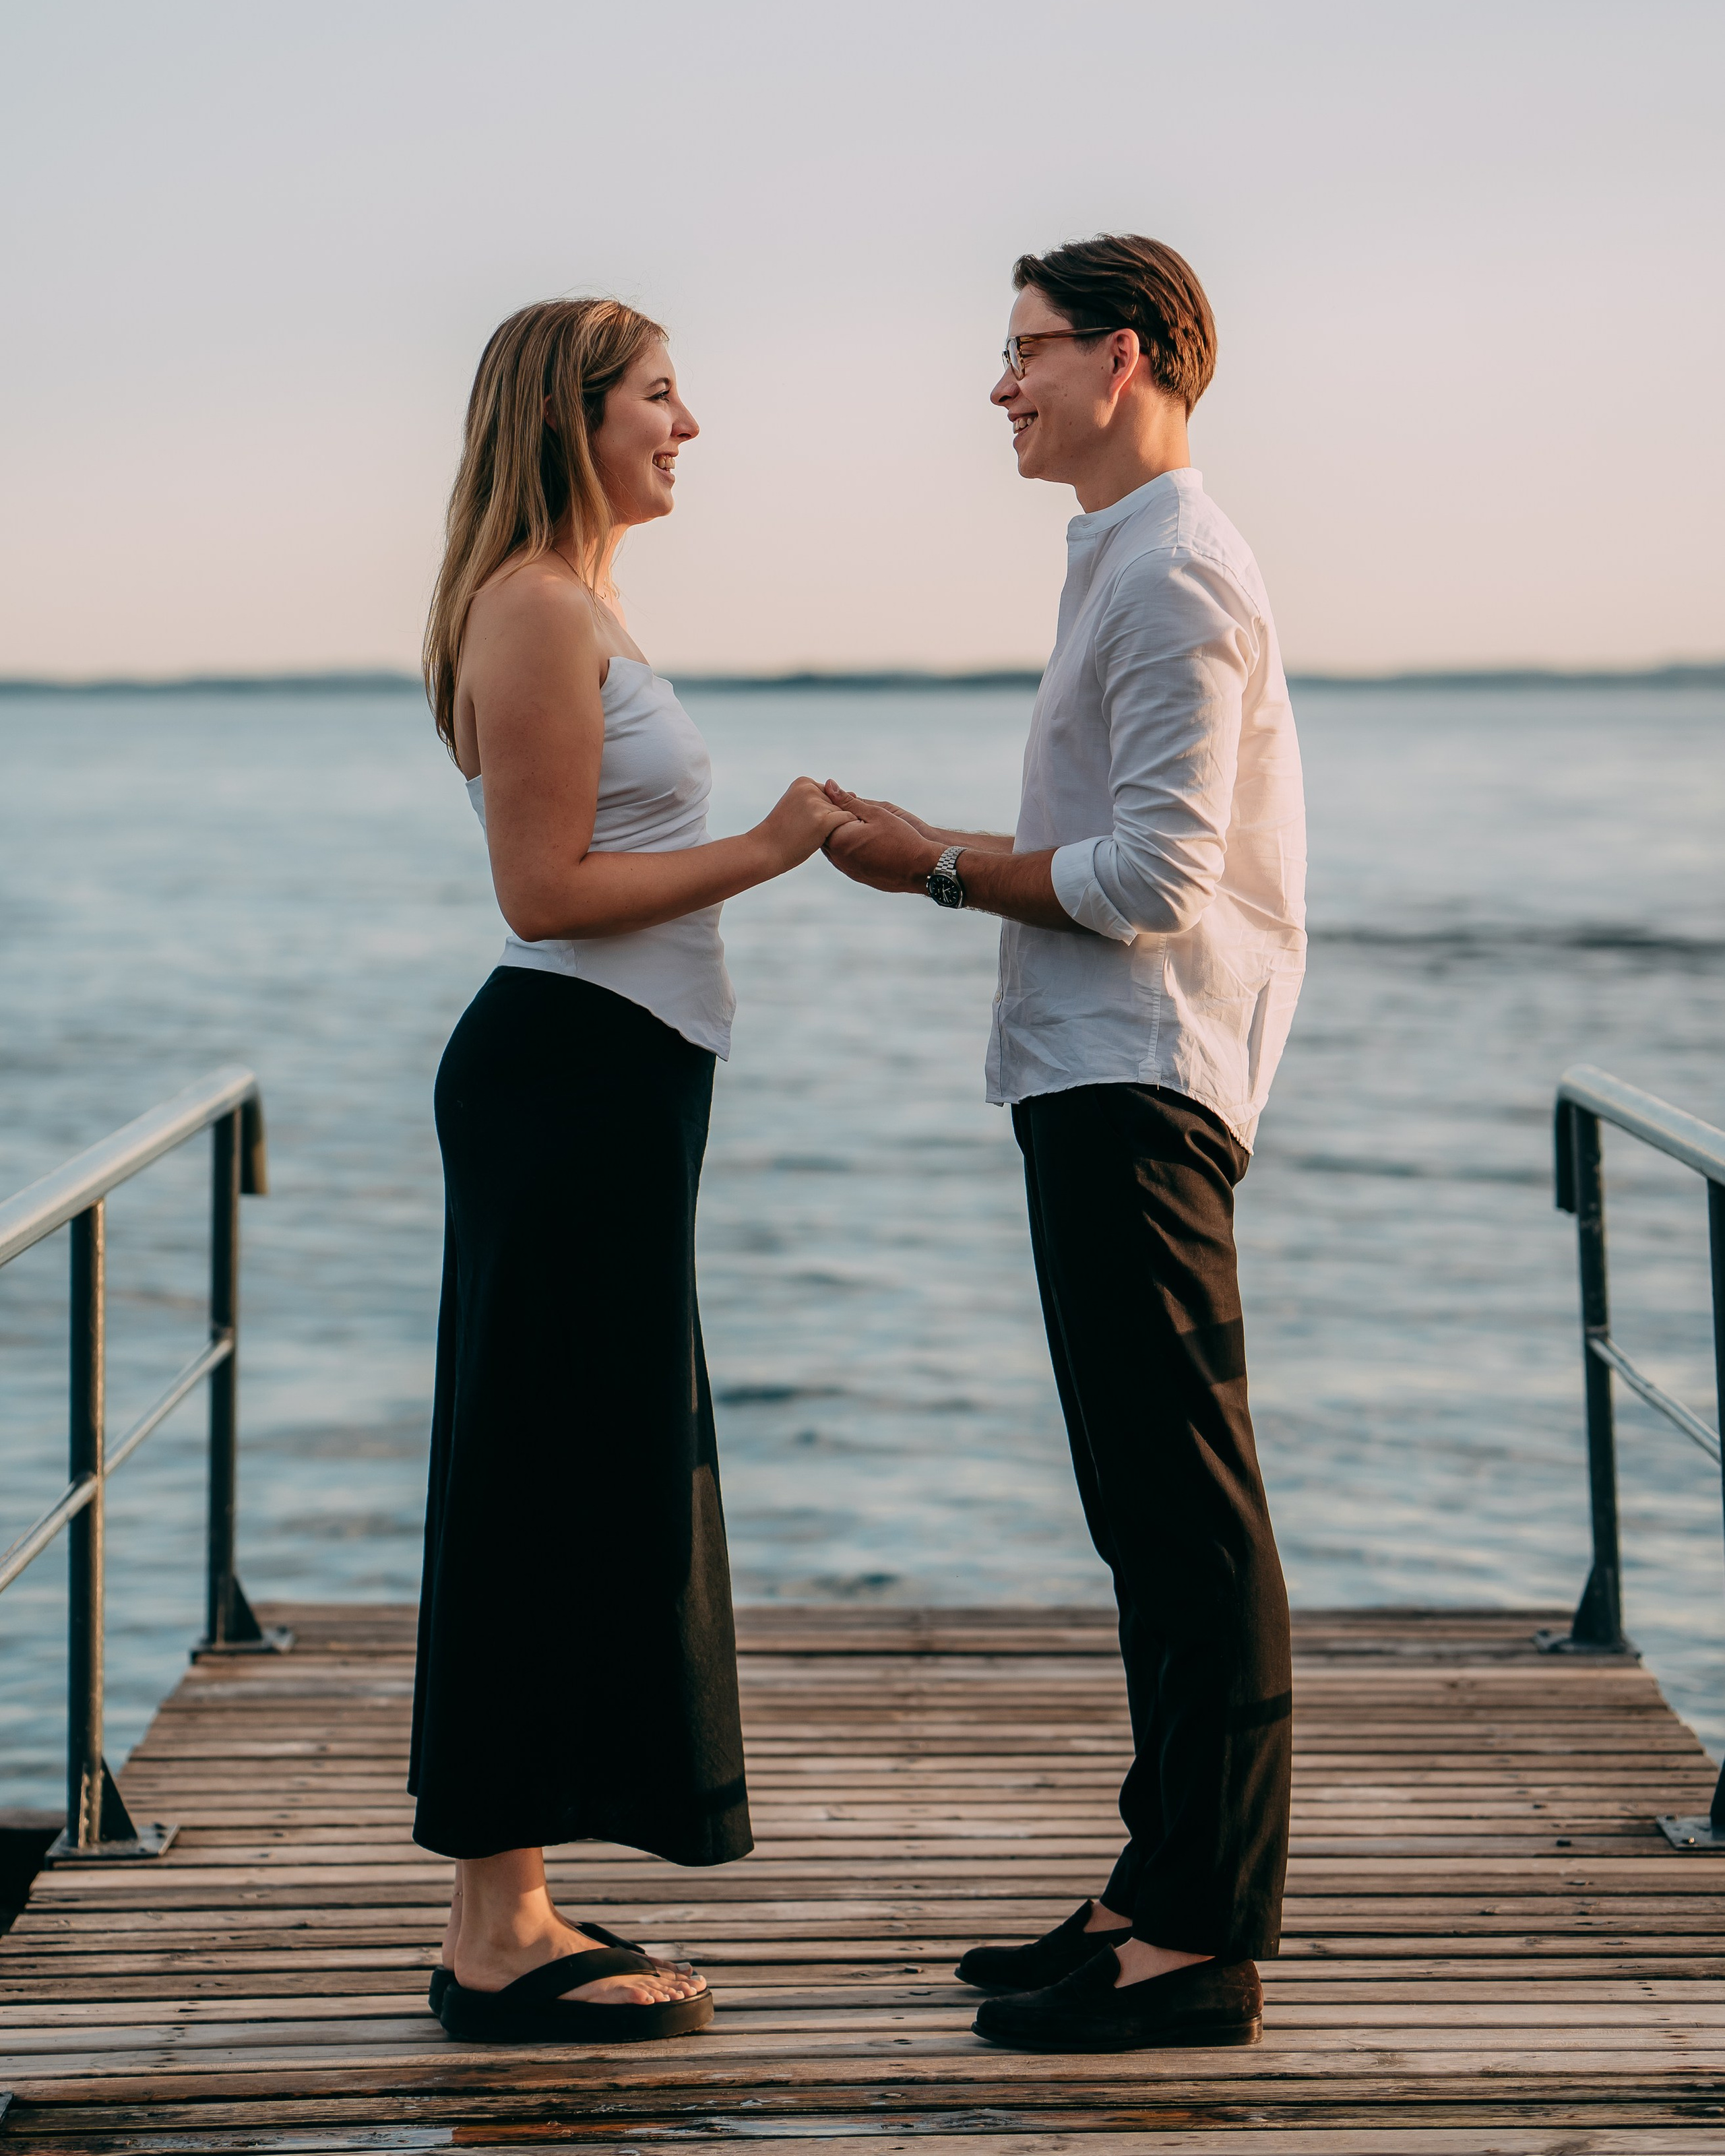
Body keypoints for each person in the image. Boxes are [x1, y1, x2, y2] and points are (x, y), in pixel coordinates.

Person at [821, 234, 1305, 2053]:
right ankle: (1147, 1885)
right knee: (1142, 1511)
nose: (1000, 385)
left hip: (1143, 1073)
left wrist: (930, 863)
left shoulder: (1178, 570)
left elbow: (1158, 881)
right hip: (1093, 1073)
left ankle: (1203, 1942)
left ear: (1131, 357)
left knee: (1188, 1515)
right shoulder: (1122, 556)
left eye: (1027, 351)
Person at [410, 297, 856, 2046]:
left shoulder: (575, 601)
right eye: (662, 396)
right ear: (571, 415)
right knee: (537, 1474)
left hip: (617, 1087)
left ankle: (507, 1903)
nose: (691, 425)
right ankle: (492, 1936)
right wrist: (773, 846)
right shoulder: (530, 603)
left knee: (579, 1472)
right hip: (566, 1081)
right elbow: (542, 893)